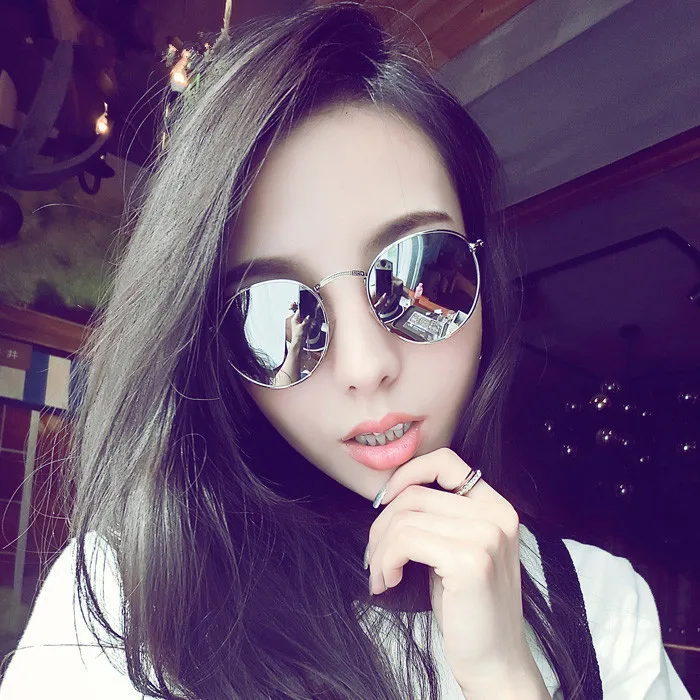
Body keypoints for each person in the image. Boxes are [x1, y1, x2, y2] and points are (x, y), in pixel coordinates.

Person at [0, 4, 691, 699]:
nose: (365, 367)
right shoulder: (123, 607)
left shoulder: (603, 608)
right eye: (272, 313)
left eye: (418, 273)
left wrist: (507, 678)